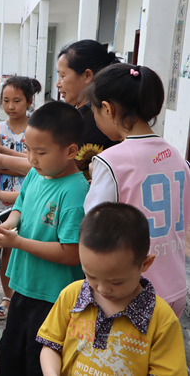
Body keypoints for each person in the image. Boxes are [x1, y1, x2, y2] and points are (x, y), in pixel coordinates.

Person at [0, 101, 89, 376]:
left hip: (54, 296)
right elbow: (21, 205)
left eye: (40, 152)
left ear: (71, 151)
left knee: (37, 360)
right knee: (11, 352)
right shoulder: (37, 174)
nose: (32, 159)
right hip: (24, 286)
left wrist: (15, 242)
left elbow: (70, 253)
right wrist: (9, 225)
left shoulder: (75, 192)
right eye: (27, 150)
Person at [84, 63, 190, 318]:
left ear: (107, 109)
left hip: (130, 293)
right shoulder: (176, 155)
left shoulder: (111, 161)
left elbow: (94, 225)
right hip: (176, 287)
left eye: (94, 110)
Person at [38, 202, 187, 375]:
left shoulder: (161, 319)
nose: (102, 289)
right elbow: (51, 345)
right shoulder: (72, 295)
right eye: (90, 276)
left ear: (145, 263)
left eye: (116, 282)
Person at [0, 40, 120, 181]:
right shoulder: (79, 111)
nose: (58, 84)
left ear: (87, 75)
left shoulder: (95, 117)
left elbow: (52, 166)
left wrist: (1, 160)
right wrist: (1, 150)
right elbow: (43, 156)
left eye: (63, 76)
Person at [0, 76, 41, 319]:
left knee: (24, 246)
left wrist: (4, 163)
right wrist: (16, 165)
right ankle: (6, 295)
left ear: (29, 101)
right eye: (6, 101)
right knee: (3, 248)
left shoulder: (35, 129)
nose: (11, 106)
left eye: (17, 100)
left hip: (27, 191)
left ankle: (22, 295)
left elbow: (35, 167)